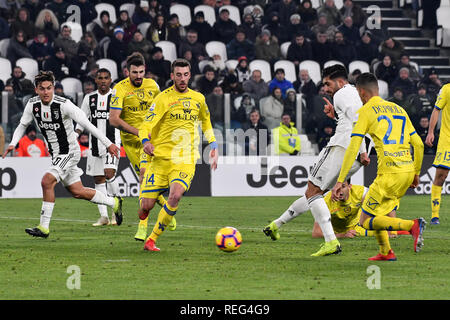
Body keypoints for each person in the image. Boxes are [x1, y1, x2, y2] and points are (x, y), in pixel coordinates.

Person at [263, 64, 371, 256]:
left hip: (342, 146)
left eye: (327, 84)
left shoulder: (341, 94)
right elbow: (355, 120)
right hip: (353, 150)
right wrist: (338, 119)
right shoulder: (353, 92)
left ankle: (331, 241)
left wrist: (361, 150)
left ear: (338, 81)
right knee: (314, 193)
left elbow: (357, 121)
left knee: (313, 191)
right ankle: (275, 225)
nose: (326, 89)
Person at [2, 71, 123, 238]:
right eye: (42, 88)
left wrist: (108, 143)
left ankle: (43, 227)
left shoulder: (64, 104)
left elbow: (87, 125)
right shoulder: (33, 104)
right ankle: (113, 202)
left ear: (53, 88)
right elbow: (22, 125)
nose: (46, 92)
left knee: (47, 181)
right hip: (56, 154)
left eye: (49, 88)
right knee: (78, 191)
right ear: (36, 89)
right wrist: (13, 143)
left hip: (69, 152)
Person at [331, 73, 426, 261]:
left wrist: (340, 180)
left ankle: (411, 225)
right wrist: (416, 173)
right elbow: (419, 145)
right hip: (406, 170)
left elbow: (353, 147)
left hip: (389, 174)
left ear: (361, 92)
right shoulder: (399, 109)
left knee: (365, 221)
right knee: (378, 210)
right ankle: (386, 252)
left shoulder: (366, 112)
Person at [138, 58, 218, 251]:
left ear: (190, 75)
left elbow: (206, 122)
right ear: (172, 76)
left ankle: (151, 240)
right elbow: (144, 126)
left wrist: (213, 144)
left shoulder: (198, 98)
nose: (182, 79)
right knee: (146, 206)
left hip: (185, 159)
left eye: (185, 75)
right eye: (178, 75)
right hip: (160, 159)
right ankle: (147, 205)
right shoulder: (162, 99)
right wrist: (146, 142)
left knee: (175, 196)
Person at [109, 52, 168, 240]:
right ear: (127, 71)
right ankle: (167, 210)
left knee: (144, 177)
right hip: (132, 142)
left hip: (150, 141)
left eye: (141, 72)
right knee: (149, 182)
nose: (138, 76)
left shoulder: (153, 86)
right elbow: (113, 119)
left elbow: (162, 109)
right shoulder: (119, 89)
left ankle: (142, 228)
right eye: (134, 72)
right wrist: (138, 132)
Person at [75, 68, 121, 227]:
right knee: (98, 179)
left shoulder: (116, 96)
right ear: (96, 80)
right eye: (100, 78)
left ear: (110, 80)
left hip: (112, 143)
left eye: (106, 78)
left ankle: (117, 208)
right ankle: (104, 217)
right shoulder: (89, 98)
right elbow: (81, 119)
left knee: (109, 174)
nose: (103, 81)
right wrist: (75, 135)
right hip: (94, 144)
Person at [425, 83, 450, 225]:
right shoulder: (446, 89)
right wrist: (430, 132)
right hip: (447, 140)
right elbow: (436, 110)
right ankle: (435, 216)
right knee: (441, 176)